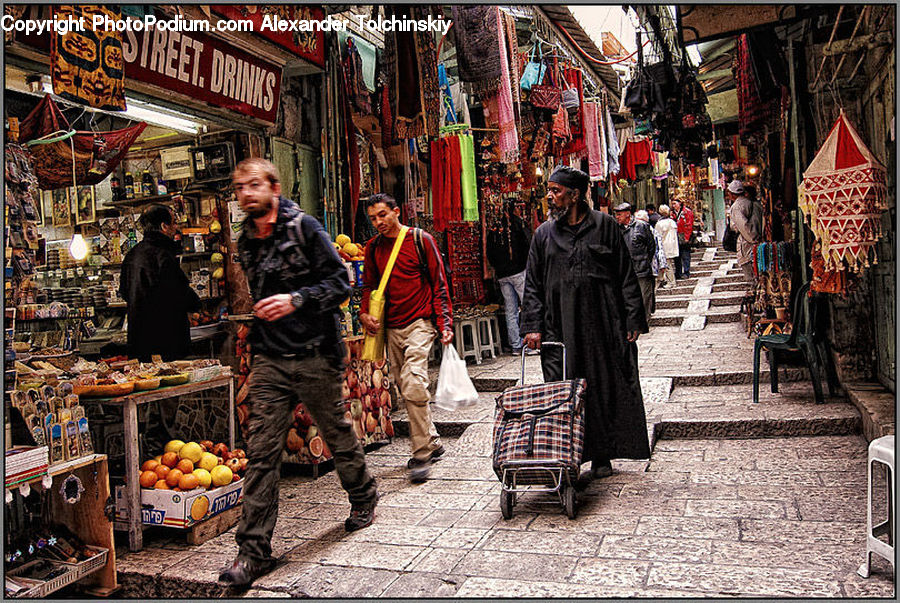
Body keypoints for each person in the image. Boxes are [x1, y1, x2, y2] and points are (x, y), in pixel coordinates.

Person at [220, 158, 378, 587]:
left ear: (273, 186)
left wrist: (297, 299)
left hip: (315, 353)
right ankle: (252, 553)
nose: (246, 194)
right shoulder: (246, 241)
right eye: (239, 188)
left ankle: (363, 494)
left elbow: (341, 284)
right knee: (262, 454)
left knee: (337, 432)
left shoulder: (305, 228)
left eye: (254, 185)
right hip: (270, 357)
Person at [522, 166, 651, 483]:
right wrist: (532, 326)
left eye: (556, 190)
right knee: (561, 390)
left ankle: (602, 453)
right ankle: (567, 455)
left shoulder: (605, 226)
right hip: (558, 328)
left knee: (601, 387)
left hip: (601, 325)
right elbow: (533, 285)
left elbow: (625, 274)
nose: (550, 196)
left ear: (575, 195)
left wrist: (633, 317)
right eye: (549, 190)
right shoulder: (543, 234)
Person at [359, 193, 453, 483]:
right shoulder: (372, 248)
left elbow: (439, 282)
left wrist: (444, 322)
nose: (378, 222)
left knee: (413, 380)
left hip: (420, 323)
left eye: (383, 215)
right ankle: (432, 439)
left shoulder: (420, 240)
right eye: (373, 218)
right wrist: (364, 314)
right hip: (391, 327)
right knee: (403, 386)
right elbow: (370, 286)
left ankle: (421, 452)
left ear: (397, 212)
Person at [119, 204, 200, 362]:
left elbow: (124, 292)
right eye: (173, 223)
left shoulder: (131, 255)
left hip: (138, 340)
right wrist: (195, 306)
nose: (176, 228)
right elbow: (178, 292)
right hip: (166, 341)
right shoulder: (163, 254)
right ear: (164, 226)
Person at [486, 200, 532, 353]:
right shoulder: (518, 224)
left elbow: (489, 252)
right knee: (527, 306)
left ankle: (516, 345)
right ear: (514, 209)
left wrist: (498, 268)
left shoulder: (495, 228)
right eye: (519, 208)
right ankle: (529, 343)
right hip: (518, 271)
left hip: (502, 275)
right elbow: (528, 245)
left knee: (510, 310)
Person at [614, 203, 657, 320]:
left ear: (628, 214)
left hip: (641, 268)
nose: (617, 217)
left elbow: (651, 246)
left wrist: (645, 260)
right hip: (624, 271)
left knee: (644, 297)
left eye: (619, 215)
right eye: (616, 215)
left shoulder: (641, 226)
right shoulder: (616, 229)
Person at [727, 180, 763, 290]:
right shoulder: (754, 203)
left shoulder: (737, 206)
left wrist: (752, 239)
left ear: (731, 194)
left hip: (747, 243)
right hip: (757, 240)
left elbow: (743, 226)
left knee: (751, 274)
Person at [655, 204, 679, 289]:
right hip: (672, 245)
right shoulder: (672, 222)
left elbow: (657, 236)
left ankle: (671, 282)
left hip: (664, 246)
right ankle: (661, 279)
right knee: (667, 263)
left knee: (667, 264)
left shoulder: (660, 224)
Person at [671, 199, 695, 279]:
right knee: (677, 255)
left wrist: (687, 237)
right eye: (672, 204)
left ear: (679, 204)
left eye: (675, 203)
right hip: (675, 235)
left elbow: (689, 225)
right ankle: (678, 272)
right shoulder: (672, 213)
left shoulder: (687, 212)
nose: (673, 205)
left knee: (685, 255)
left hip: (684, 235)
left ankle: (686, 272)